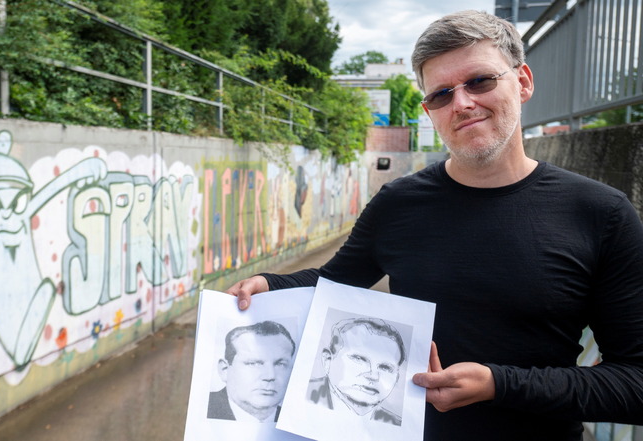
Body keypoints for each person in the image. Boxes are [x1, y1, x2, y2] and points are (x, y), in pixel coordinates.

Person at [227, 10, 643, 441]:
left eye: (480, 81)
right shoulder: (399, 203)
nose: (461, 103)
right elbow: (333, 282)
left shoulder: (600, 212)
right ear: (429, 111)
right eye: (442, 94)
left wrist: (499, 385)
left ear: (522, 82)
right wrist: (269, 285)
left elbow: (636, 383)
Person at [308, 317, 405, 426]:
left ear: (397, 378)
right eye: (359, 359)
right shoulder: (298, 397)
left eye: (385, 368)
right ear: (327, 360)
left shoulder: (397, 425)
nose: (373, 376)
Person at [207, 320, 296, 422]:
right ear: (224, 370)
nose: (270, 376)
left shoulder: (298, 419)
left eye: (280, 364)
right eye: (254, 363)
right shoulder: (197, 407)